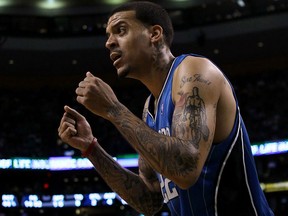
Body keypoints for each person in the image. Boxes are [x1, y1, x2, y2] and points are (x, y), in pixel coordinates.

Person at [58, 1, 274, 215]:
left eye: (120, 30)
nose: (109, 43)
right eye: (108, 35)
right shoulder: (149, 108)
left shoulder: (194, 71)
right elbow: (150, 200)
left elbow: (186, 168)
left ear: (154, 34)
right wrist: (90, 149)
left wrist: (114, 110)